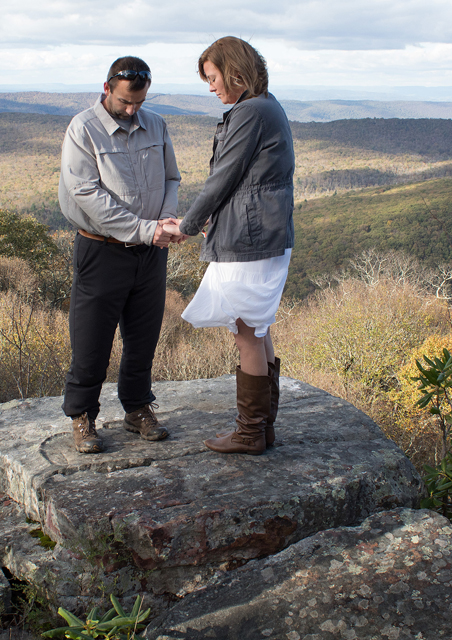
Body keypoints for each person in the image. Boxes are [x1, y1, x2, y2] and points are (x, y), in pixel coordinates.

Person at [169, 36, 295, 455]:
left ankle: (250, 432)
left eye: (213, 77)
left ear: (235, 71)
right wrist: (215, 221)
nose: (210, 87)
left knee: (246, 331)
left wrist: (188, 225)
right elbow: (246, 182)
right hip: (262, 234)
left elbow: (223, 177)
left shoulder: (251, 111)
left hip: (251, 239)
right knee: (256, 327)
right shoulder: (267, 105)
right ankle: (263, 428)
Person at [58, 56, 182, 454]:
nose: (131, 110)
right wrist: (147, 230)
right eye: (125, 101)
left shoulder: (156, 125)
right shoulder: (83, 128)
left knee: (143, 337)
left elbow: (171, 178)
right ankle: (82, 416)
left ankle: (137, 409)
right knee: (91, 339)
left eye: (139, 102)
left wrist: (165, 220)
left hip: (151, 252)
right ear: (107, 88)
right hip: (102, 249)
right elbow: (86, 193)